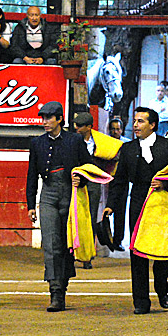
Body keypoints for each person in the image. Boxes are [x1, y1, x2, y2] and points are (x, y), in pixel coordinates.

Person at [104, 107, 168, 314]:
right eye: (136, 121)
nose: (136, 125)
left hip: (164, 201)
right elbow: (119, 180)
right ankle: (140, 301)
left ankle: (160, 282)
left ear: (153, 125)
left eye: (141, 121)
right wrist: (111, 205)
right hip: (139, 200)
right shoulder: (128, 149)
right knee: (138, 252)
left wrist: (166, 185)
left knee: (164, 252)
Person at [26, 102, 92, 312]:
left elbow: (89, 167)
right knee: (51, 245)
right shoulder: (37, 143)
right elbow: (31, 176)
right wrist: (30, 204)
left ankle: (62, 287)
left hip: (70, 194)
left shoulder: (75, 140)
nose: (44, 122)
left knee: (65, 245)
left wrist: (81, 180)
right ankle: (55, 292)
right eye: (43, 118)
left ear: (59, 119)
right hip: (48, 193)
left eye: (48, 118)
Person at [73, 112, 103, 269]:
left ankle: (87, 255)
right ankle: (73, 253)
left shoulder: (100, 142)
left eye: (80, 126)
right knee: (74, 218)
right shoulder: (72, 141)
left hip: (93, 183)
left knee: (90, 218)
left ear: (89, 127)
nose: (76, 128)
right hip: (76, 183)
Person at [106, 117, 129, 251]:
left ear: (122, 130)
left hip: (122, 181)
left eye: (118, 129)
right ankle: (106, 239)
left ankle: (118, 240)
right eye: (113, 129)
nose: (115, 131)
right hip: (107, 180)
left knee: (120, 212)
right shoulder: (105, 143)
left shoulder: (126, 144)